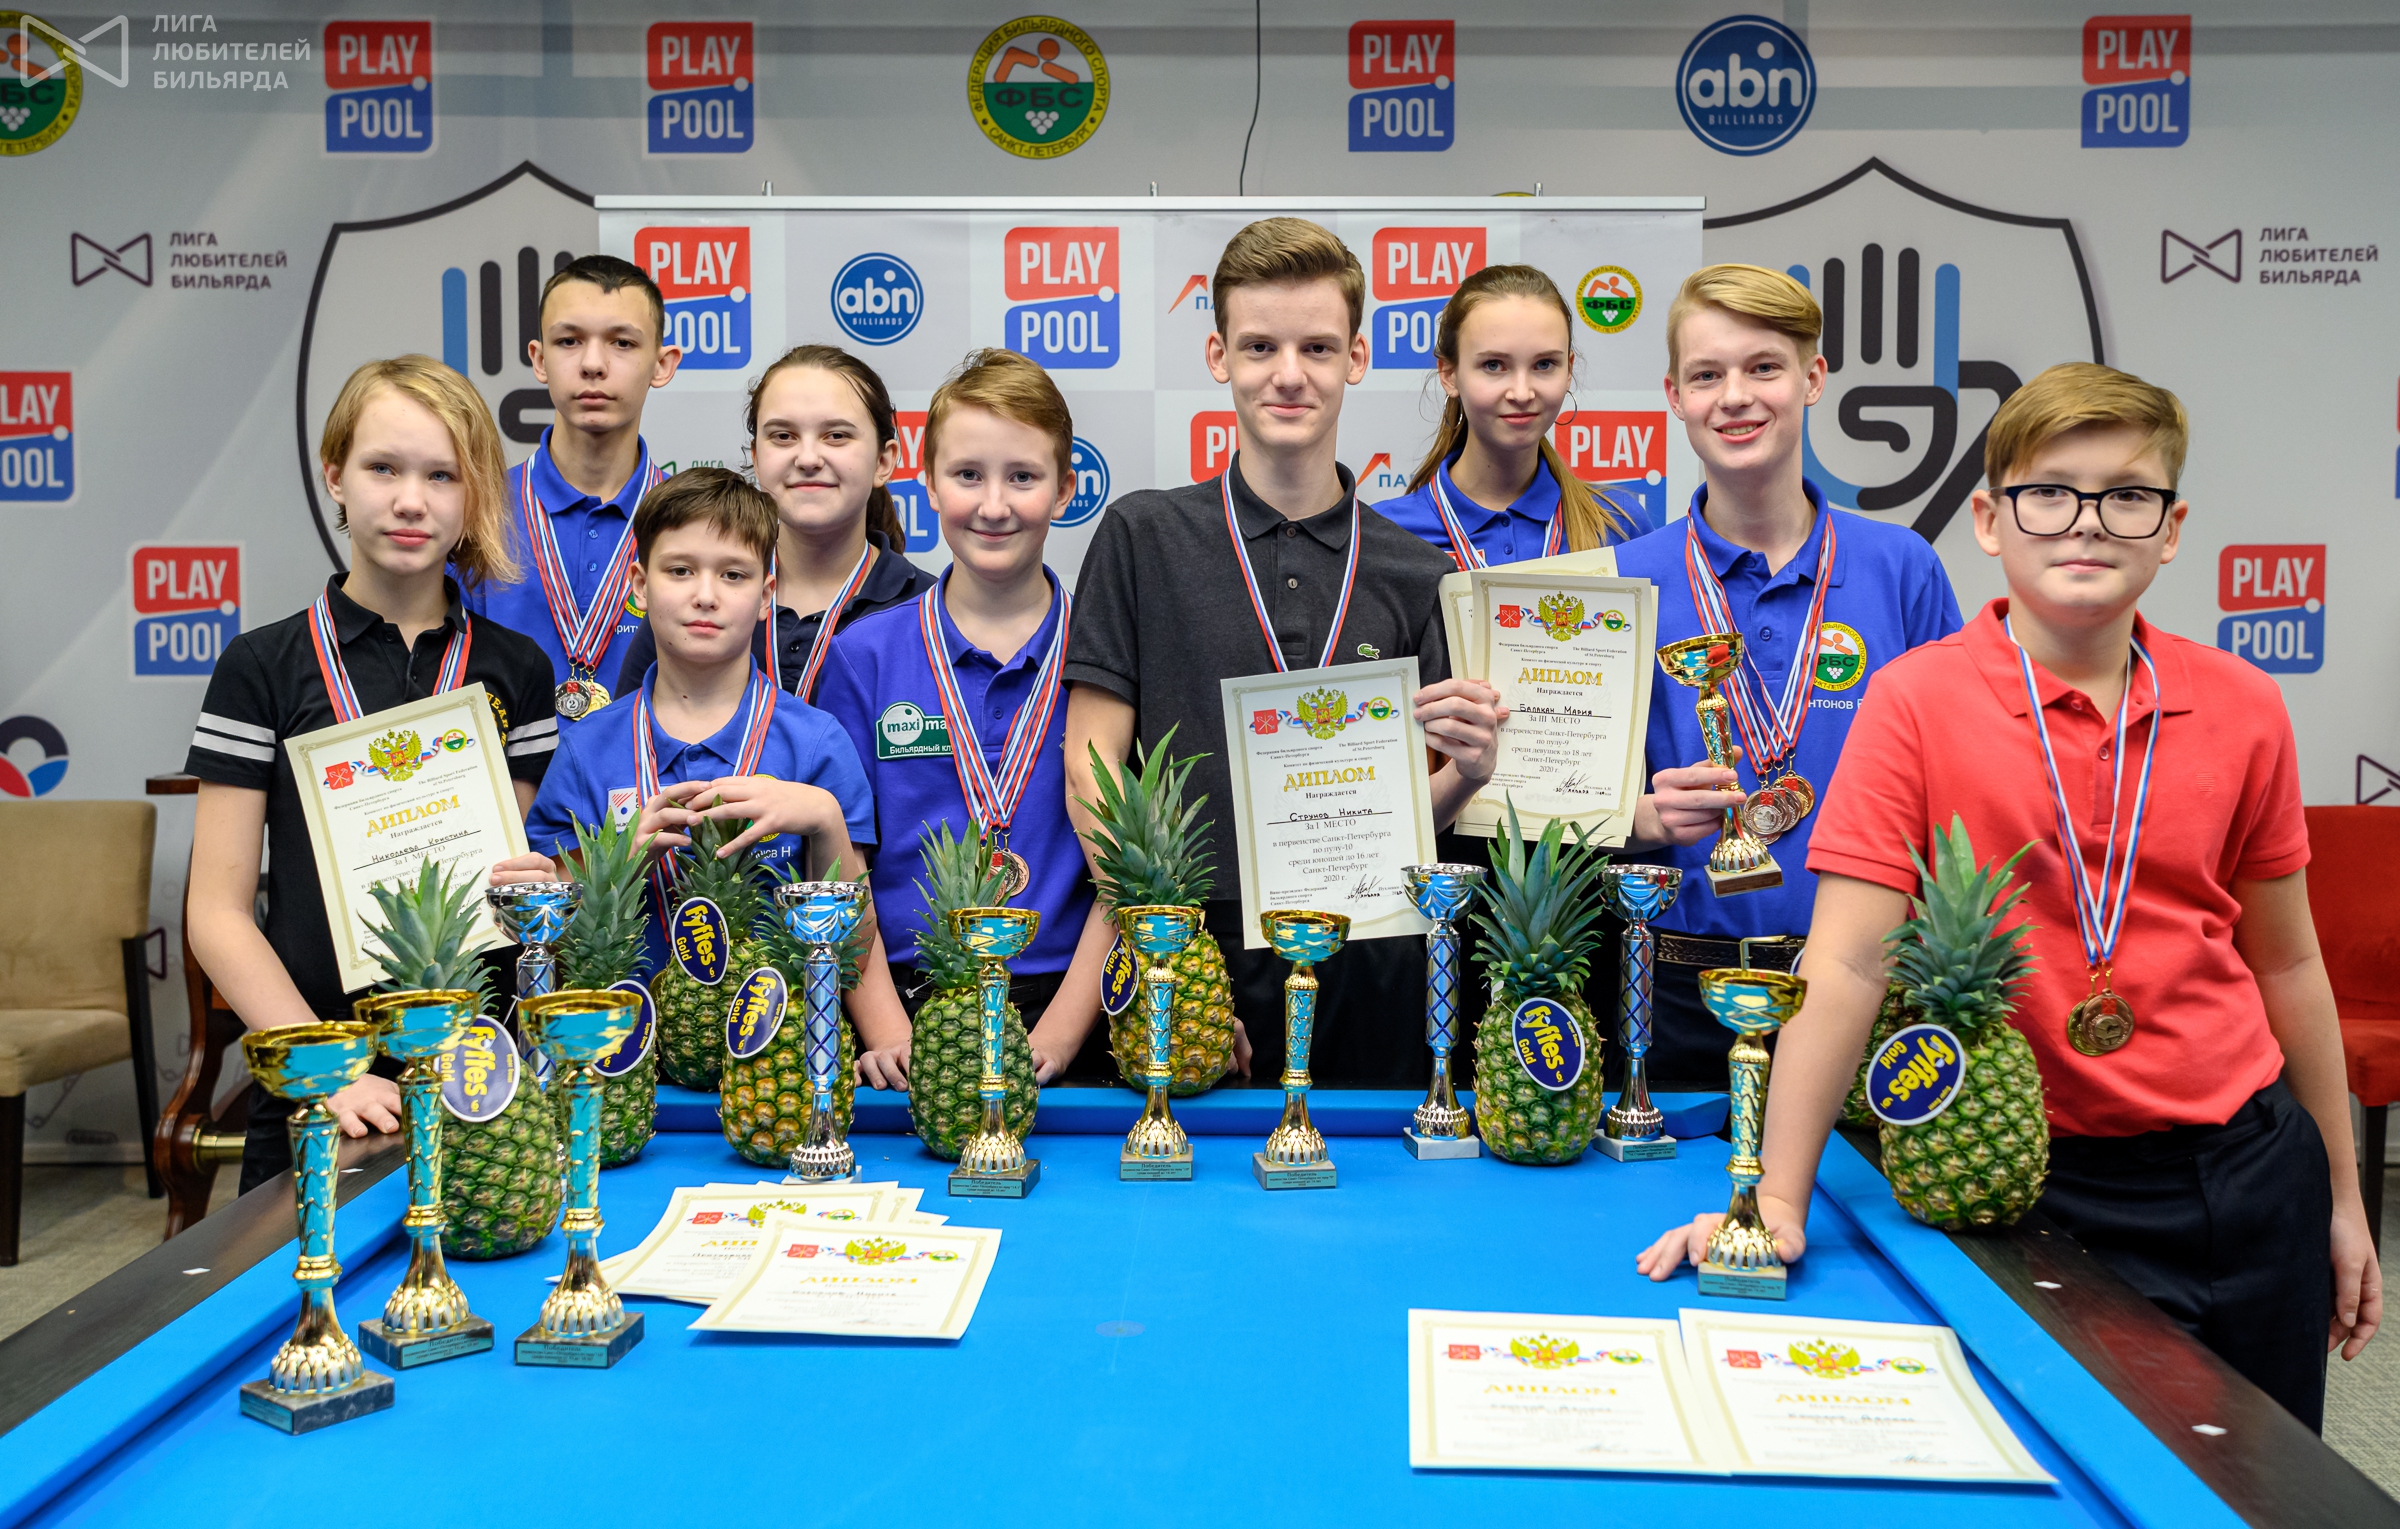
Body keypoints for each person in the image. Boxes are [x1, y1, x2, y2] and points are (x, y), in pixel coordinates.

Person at [1637, 362, 2380, 1431]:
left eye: (2127, 495)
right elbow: (1847, 960)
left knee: (2262, 1479)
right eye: (2049, 493)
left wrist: (2344, 1199)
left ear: (2171, 528)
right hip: (2024, 1180)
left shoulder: (2244, 703)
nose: (2087, 522)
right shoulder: (1914, 701)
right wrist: (1777, 1200)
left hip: (2249, 1169)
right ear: (1990, 520)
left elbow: (2287, 960)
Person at [1063, 217, 1504, 1088]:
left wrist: (1471, 774)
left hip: (1373, 950)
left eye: (1318, 347)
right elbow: (1091, 766)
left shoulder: (1420, 572)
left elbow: (1416, 807)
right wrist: (1168, 959)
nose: (1289, 374)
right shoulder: (1143, 537)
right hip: (1195, 945)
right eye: (1260, 346)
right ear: (1219, 355)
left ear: (1358, 357)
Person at [185, 356, 559, 1192]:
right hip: (319, 1085)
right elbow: (215, 910)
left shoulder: (518, 671)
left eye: (441, 475)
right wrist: (330, 1071)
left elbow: (507, 888)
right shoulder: (261, 666)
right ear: (336, 477)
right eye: (383, 467)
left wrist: (538, 887)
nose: (410, 500)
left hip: (480, 1080)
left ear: (474, 494)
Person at [1614, 264, 1961, 1088]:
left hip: (1868, 988)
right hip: (1673, 993)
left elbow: (1960, 789)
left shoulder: (1901, 568)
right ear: (1674, 395)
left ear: (1812, 378)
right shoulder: (1622, 581)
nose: (1735, 396)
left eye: (1763, 367)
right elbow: (1562, 810)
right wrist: (1642, 818)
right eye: (1707, 375)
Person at [501, 467, 913, 1079]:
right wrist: (614, 862)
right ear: (639, 585)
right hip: (621, 1070)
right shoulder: (587, 749)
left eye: (733, 575)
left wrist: (825, 819)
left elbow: (854, 948)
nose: (705, 595)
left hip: (780, 1069)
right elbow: (554, 948)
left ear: (767, 594)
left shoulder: (815, 744)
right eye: (680, 570)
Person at [816, 349, 1114, 1082]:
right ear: (928, 481)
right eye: (968, 475)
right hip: (904, 1002)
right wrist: (887, 1027)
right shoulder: (863, 657)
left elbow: (1128, 870)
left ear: (1066, 488)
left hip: (1069, 1001)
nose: (994, 504)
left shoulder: (1109, 653)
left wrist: (1063, 1033)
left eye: (1024, 476)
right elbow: (839, 865)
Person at [614, 344, 937, 703]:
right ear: (756, 457)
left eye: (836, 436)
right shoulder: (698, 601)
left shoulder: (931, 610)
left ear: (883, 461)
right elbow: (630, 731)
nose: (808, 459)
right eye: (783, 436)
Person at [465, 255, 681, 722]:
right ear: (540, 360)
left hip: (651, 770)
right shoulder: (477, 511)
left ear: (662, 365)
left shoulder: (692, 522)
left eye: (622, 342)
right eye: (569, 341)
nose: (593, 364)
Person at [1376, 263, 1655, 567]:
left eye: (1544, 364)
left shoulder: (1618, 524)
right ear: (1449, 374)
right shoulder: (1386, 534)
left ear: (1568, 370)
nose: (1522, 394)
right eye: (1494, 365)